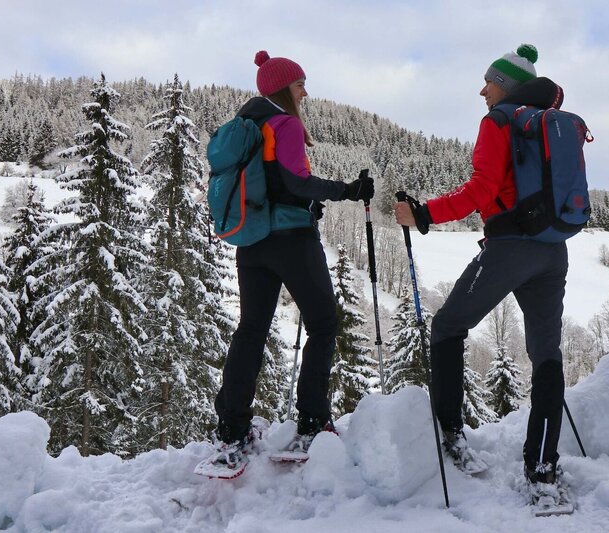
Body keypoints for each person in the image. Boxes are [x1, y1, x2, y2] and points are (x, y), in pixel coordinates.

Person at [393, 44, 568, 494]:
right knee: (547, 355)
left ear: (506, 85)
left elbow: (481, 190)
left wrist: (424, 213)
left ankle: (450, 434)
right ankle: (543, 468)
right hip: (554, 250)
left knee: (447, 326)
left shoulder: (500, 121)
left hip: (509, 249)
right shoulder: (552, 124)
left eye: (489, 82)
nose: (482, 90)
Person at [214, 50, 374, 465]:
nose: (305, 92)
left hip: (252, 241)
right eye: (300, 84)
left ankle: (232, 428)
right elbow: (296, 182)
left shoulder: (248, 125)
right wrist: (346, 190)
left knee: (251, 330)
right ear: (283, 88)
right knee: (323, 324)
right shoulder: (284, 124)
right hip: (291, 240)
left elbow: (272, 182)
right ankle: (313, 421)